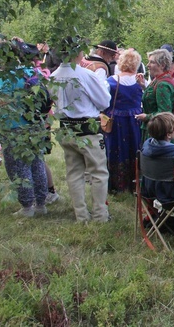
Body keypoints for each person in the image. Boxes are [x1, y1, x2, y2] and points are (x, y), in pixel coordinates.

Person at [50, 37, 112, 223]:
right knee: (98, 172)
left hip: (66, 129)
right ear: (77, 52)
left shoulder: (53, 77)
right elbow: (104, 101)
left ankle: (81, 215)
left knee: (74, 173)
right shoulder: (85, 75)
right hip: (87, 129)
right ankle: (101, 215)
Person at [0, 41, 50, 217]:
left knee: (19, 167)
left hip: (14, 127)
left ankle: (27, 207)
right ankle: (41, 203)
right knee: (37, 162)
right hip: (36, 124)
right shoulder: (31, 72)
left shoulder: (4, 78)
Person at [104, 49, 144, 193]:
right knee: (135, 148)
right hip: (135, 119)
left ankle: (117, 184)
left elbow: (104, 101)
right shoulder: (140, 81)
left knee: (116, 149)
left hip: (116, 120)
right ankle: (135, 182)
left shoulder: (111, 81)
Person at [136, 49, 174, 147]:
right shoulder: (158, 79)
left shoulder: (162, 84)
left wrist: (146, 117)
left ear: (162, 65)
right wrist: (144, 86)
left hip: (160, 135)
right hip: (157, 131)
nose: (148, 65)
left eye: (152, 62)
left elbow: (165, 113)